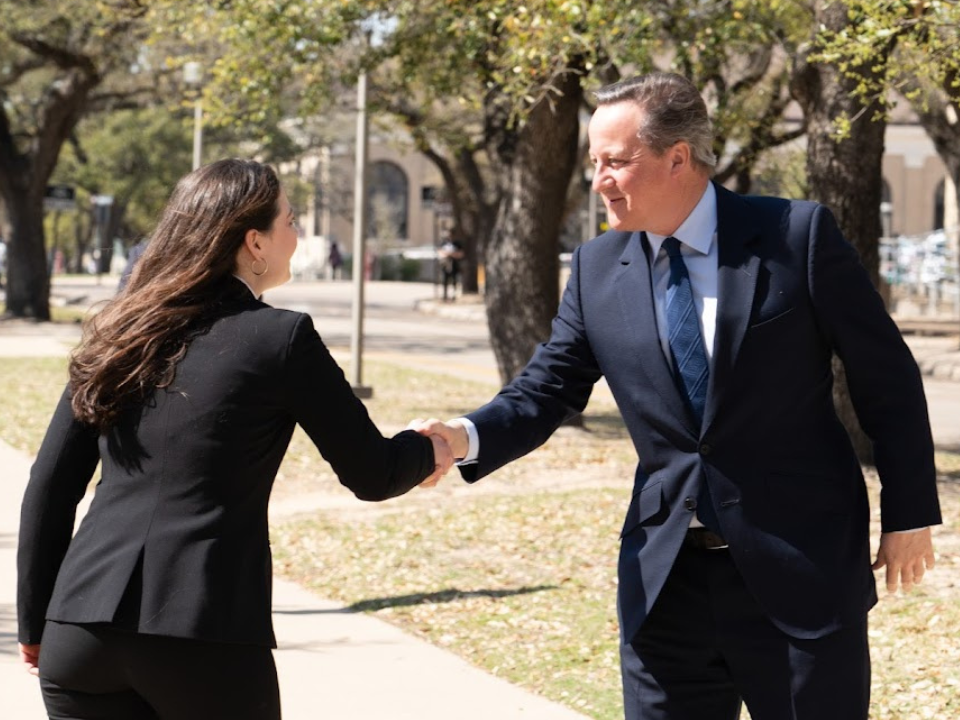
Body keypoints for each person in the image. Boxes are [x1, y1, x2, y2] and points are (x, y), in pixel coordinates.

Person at [412, 72, 941, 720]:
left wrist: (909, 513)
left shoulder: (796, 238)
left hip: (800, 576)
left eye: (616, 162)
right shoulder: (598, 267)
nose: (599, 179)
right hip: (665, 585)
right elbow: (548, 386)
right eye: (592, 163)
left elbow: (885, 375)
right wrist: (462, 437)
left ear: (678, 159)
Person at [18, 158, 453, 720]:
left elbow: (50, 486)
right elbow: (373, 472)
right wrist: (434, 448)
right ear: (255, 242)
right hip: (203, 635)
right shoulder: (282, 337)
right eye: (291, 221)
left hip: (78, 633)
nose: (298, 235)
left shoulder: (119, 330)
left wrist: (36, 622)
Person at [438, 235, 464, 301]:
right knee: (444, 281)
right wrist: (447, 254)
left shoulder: (457, 244)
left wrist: (452, 254)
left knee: (454, 281)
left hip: (454, 265)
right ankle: (445, 296)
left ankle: (453, 296)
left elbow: (461, 254)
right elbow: (440, 252)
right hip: (445, 265)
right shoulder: (443, 243)